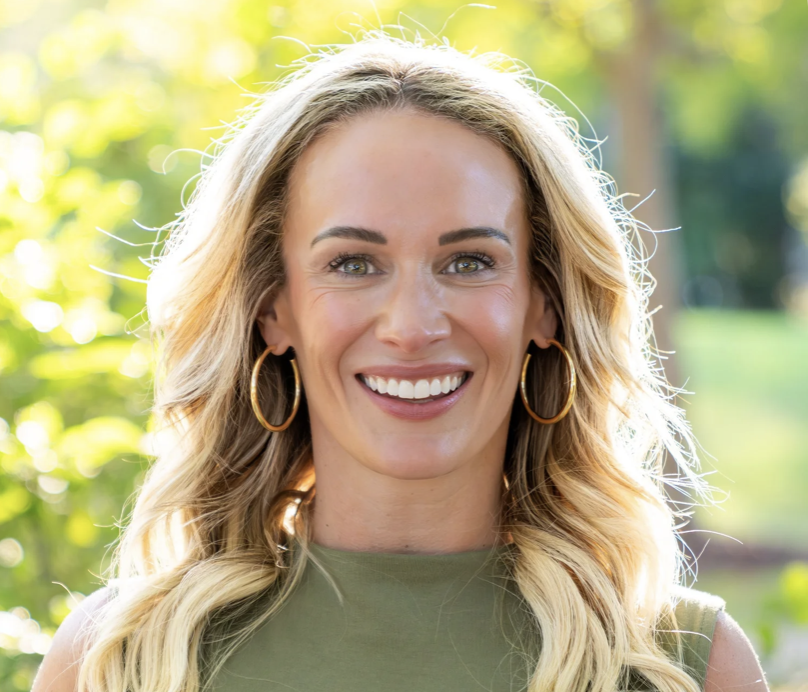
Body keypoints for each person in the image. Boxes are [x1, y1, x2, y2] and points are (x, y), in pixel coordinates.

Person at [34, 34, 768, 692]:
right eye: (353, 263)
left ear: (543, 304)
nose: (413, 326)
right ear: (273, 308)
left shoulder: (681, 666)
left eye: (470, 261)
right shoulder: (122, 660)